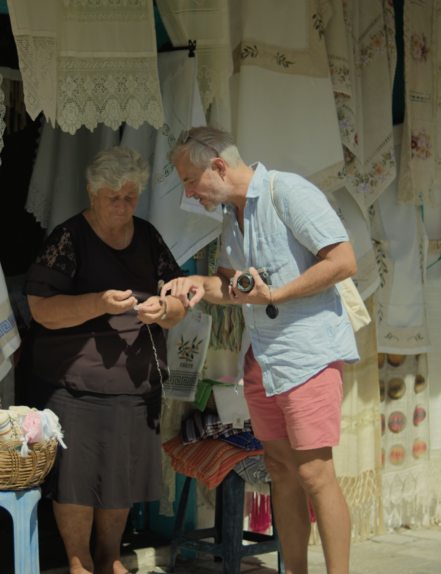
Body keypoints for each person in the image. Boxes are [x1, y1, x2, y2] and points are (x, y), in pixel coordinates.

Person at [160, 127, 359, 574]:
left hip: (307, 354)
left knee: (314, 474)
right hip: (263, 360)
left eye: (190, 181)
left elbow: (344, 260)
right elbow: (233, 289)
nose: (190, 194)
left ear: (218, 165)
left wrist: (278, 295)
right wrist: (200, 285)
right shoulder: (232, 216)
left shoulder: (286, 191)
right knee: (280, 471)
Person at [20, 146, 188, 574]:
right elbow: (40, 308)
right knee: (75, 477)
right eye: (113, 196)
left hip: (135, 385)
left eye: (130, 196)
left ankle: (110, 557)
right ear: (92, 192)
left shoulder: (148, 237)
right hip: (73, 384)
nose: (122, 205)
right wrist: (98, 302)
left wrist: (164, 312)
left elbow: (179, 300)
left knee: (120, 475)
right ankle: (78, 562)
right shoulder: (69, 237)